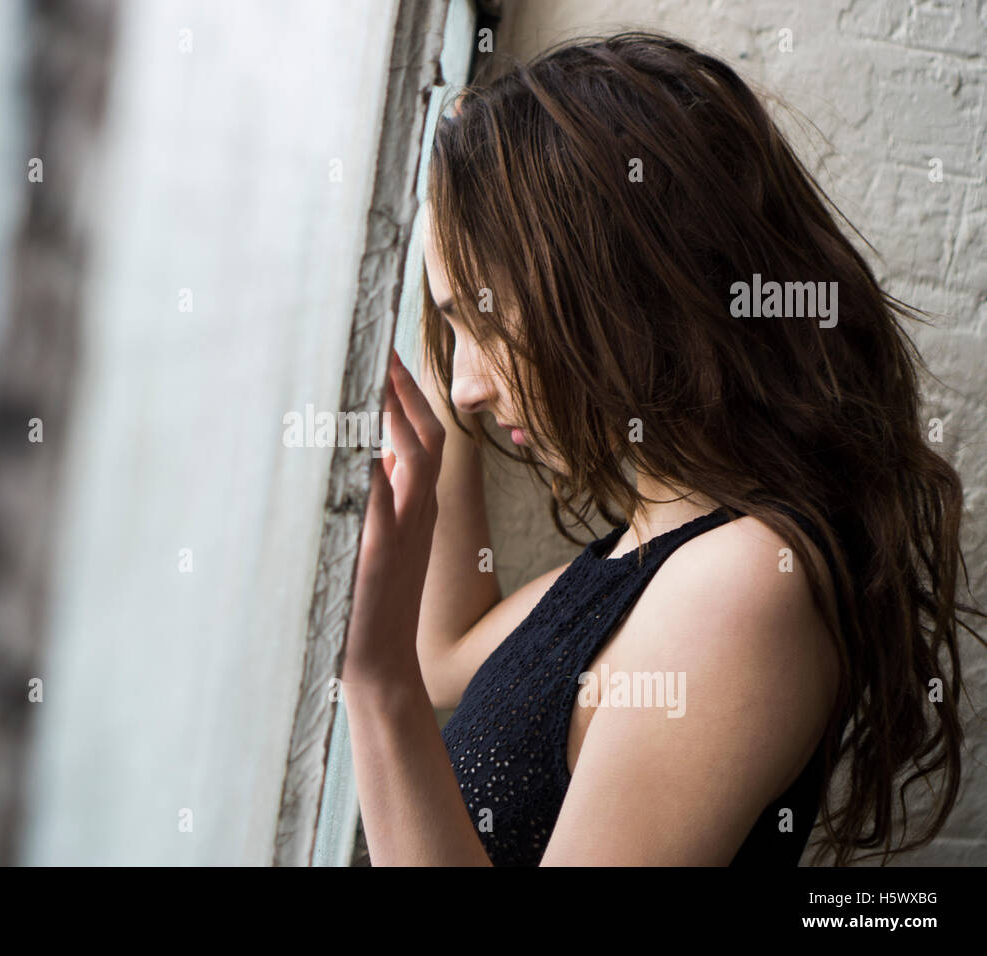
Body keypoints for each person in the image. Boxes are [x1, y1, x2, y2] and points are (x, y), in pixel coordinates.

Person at [339, 32, 982, 866]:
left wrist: (371, 686)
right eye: (453, 325)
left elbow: (407, 678)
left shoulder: (740, 586)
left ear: (616, 286)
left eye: (488, 322)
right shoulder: (649, 546)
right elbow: (444, 656)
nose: (466, 385)